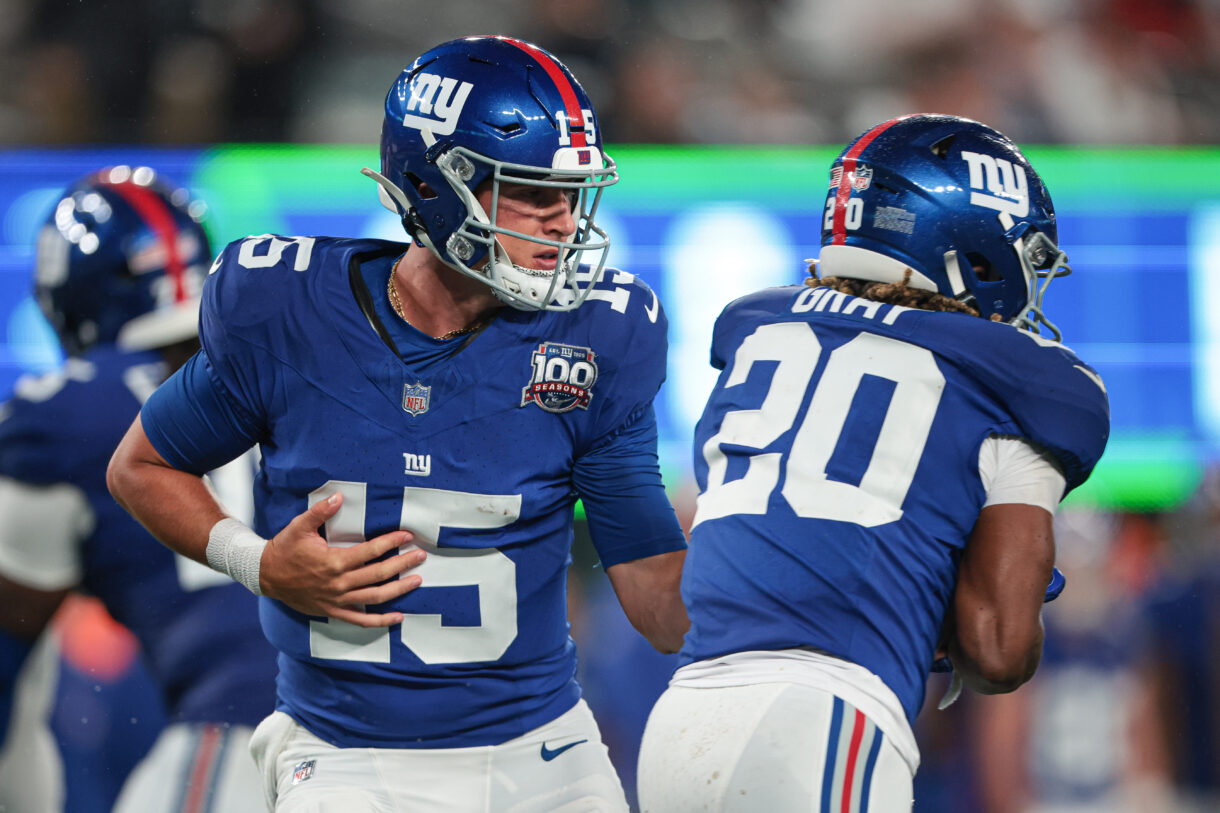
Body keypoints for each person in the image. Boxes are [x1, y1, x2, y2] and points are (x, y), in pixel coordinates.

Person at [106, 35, 688, 812]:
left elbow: (657, 601)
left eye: (573, 195)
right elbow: (139, 467)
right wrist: (256, 562)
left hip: (541, 751)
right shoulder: (288, 311)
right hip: (347, 755)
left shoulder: (597, 337)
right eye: (533, 192)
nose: (563, 224)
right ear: (432, 183)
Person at [636, 114, 1111, 812]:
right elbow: (998, 649)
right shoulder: (1017, 383)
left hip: (680, 720)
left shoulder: (754, 335)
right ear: (974, 250)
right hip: (822, 719)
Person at [0, 166, 278, 812]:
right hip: (431, 730)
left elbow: (10, 676)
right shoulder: (298, 361)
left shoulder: (64, 416)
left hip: (248, 734)